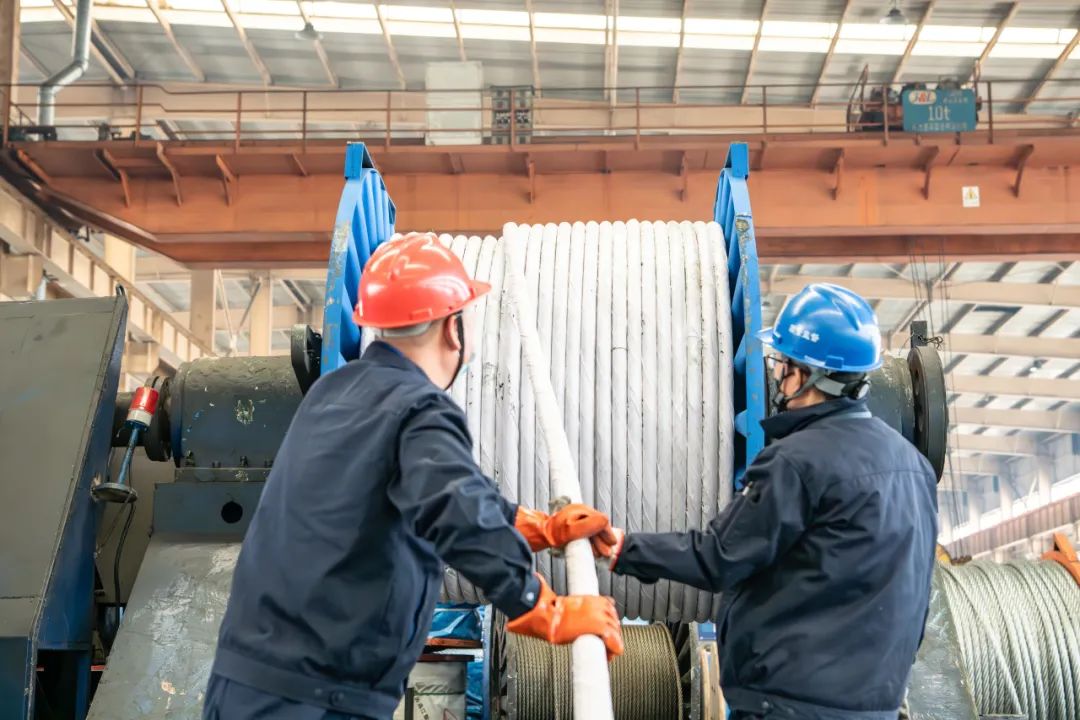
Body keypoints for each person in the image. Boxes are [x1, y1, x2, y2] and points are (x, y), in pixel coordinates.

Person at [203, 232, 623, 720]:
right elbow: (456, 511)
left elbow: (434, 489)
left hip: (242, 685)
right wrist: (540, 605)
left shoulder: (331, 393)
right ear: (452, 329)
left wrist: (538, 527)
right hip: (317, 699)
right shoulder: (420, 408)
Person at [604, 283, 938, 720]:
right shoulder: (915, 467)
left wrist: (622, 547)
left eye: (782, 362)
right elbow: (919, 591)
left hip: (792, 705)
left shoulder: (797, 461)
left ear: (806, 375)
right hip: (877, 706)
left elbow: (719, 557)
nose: (777, 374)